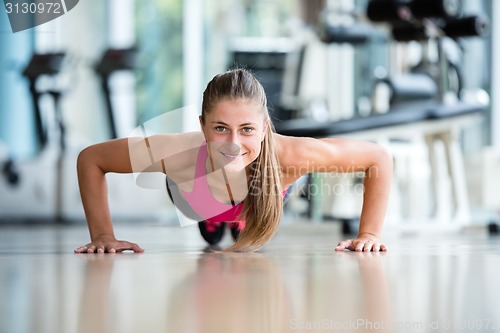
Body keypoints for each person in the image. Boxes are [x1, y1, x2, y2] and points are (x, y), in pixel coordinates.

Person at [74, 68, 392, 254]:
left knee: (247, 239)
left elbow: (377, 158)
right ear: (202, 126)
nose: (233, 144)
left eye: (248, 130)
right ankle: (211, 221)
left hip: (262, 198)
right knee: (212, 237)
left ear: (265, 127)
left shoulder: (292, 155)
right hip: (197, 196)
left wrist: (370, 235)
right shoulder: (176, 151)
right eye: (221, 128)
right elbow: (92, 159)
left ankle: (237, 221)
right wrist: (102, 235)